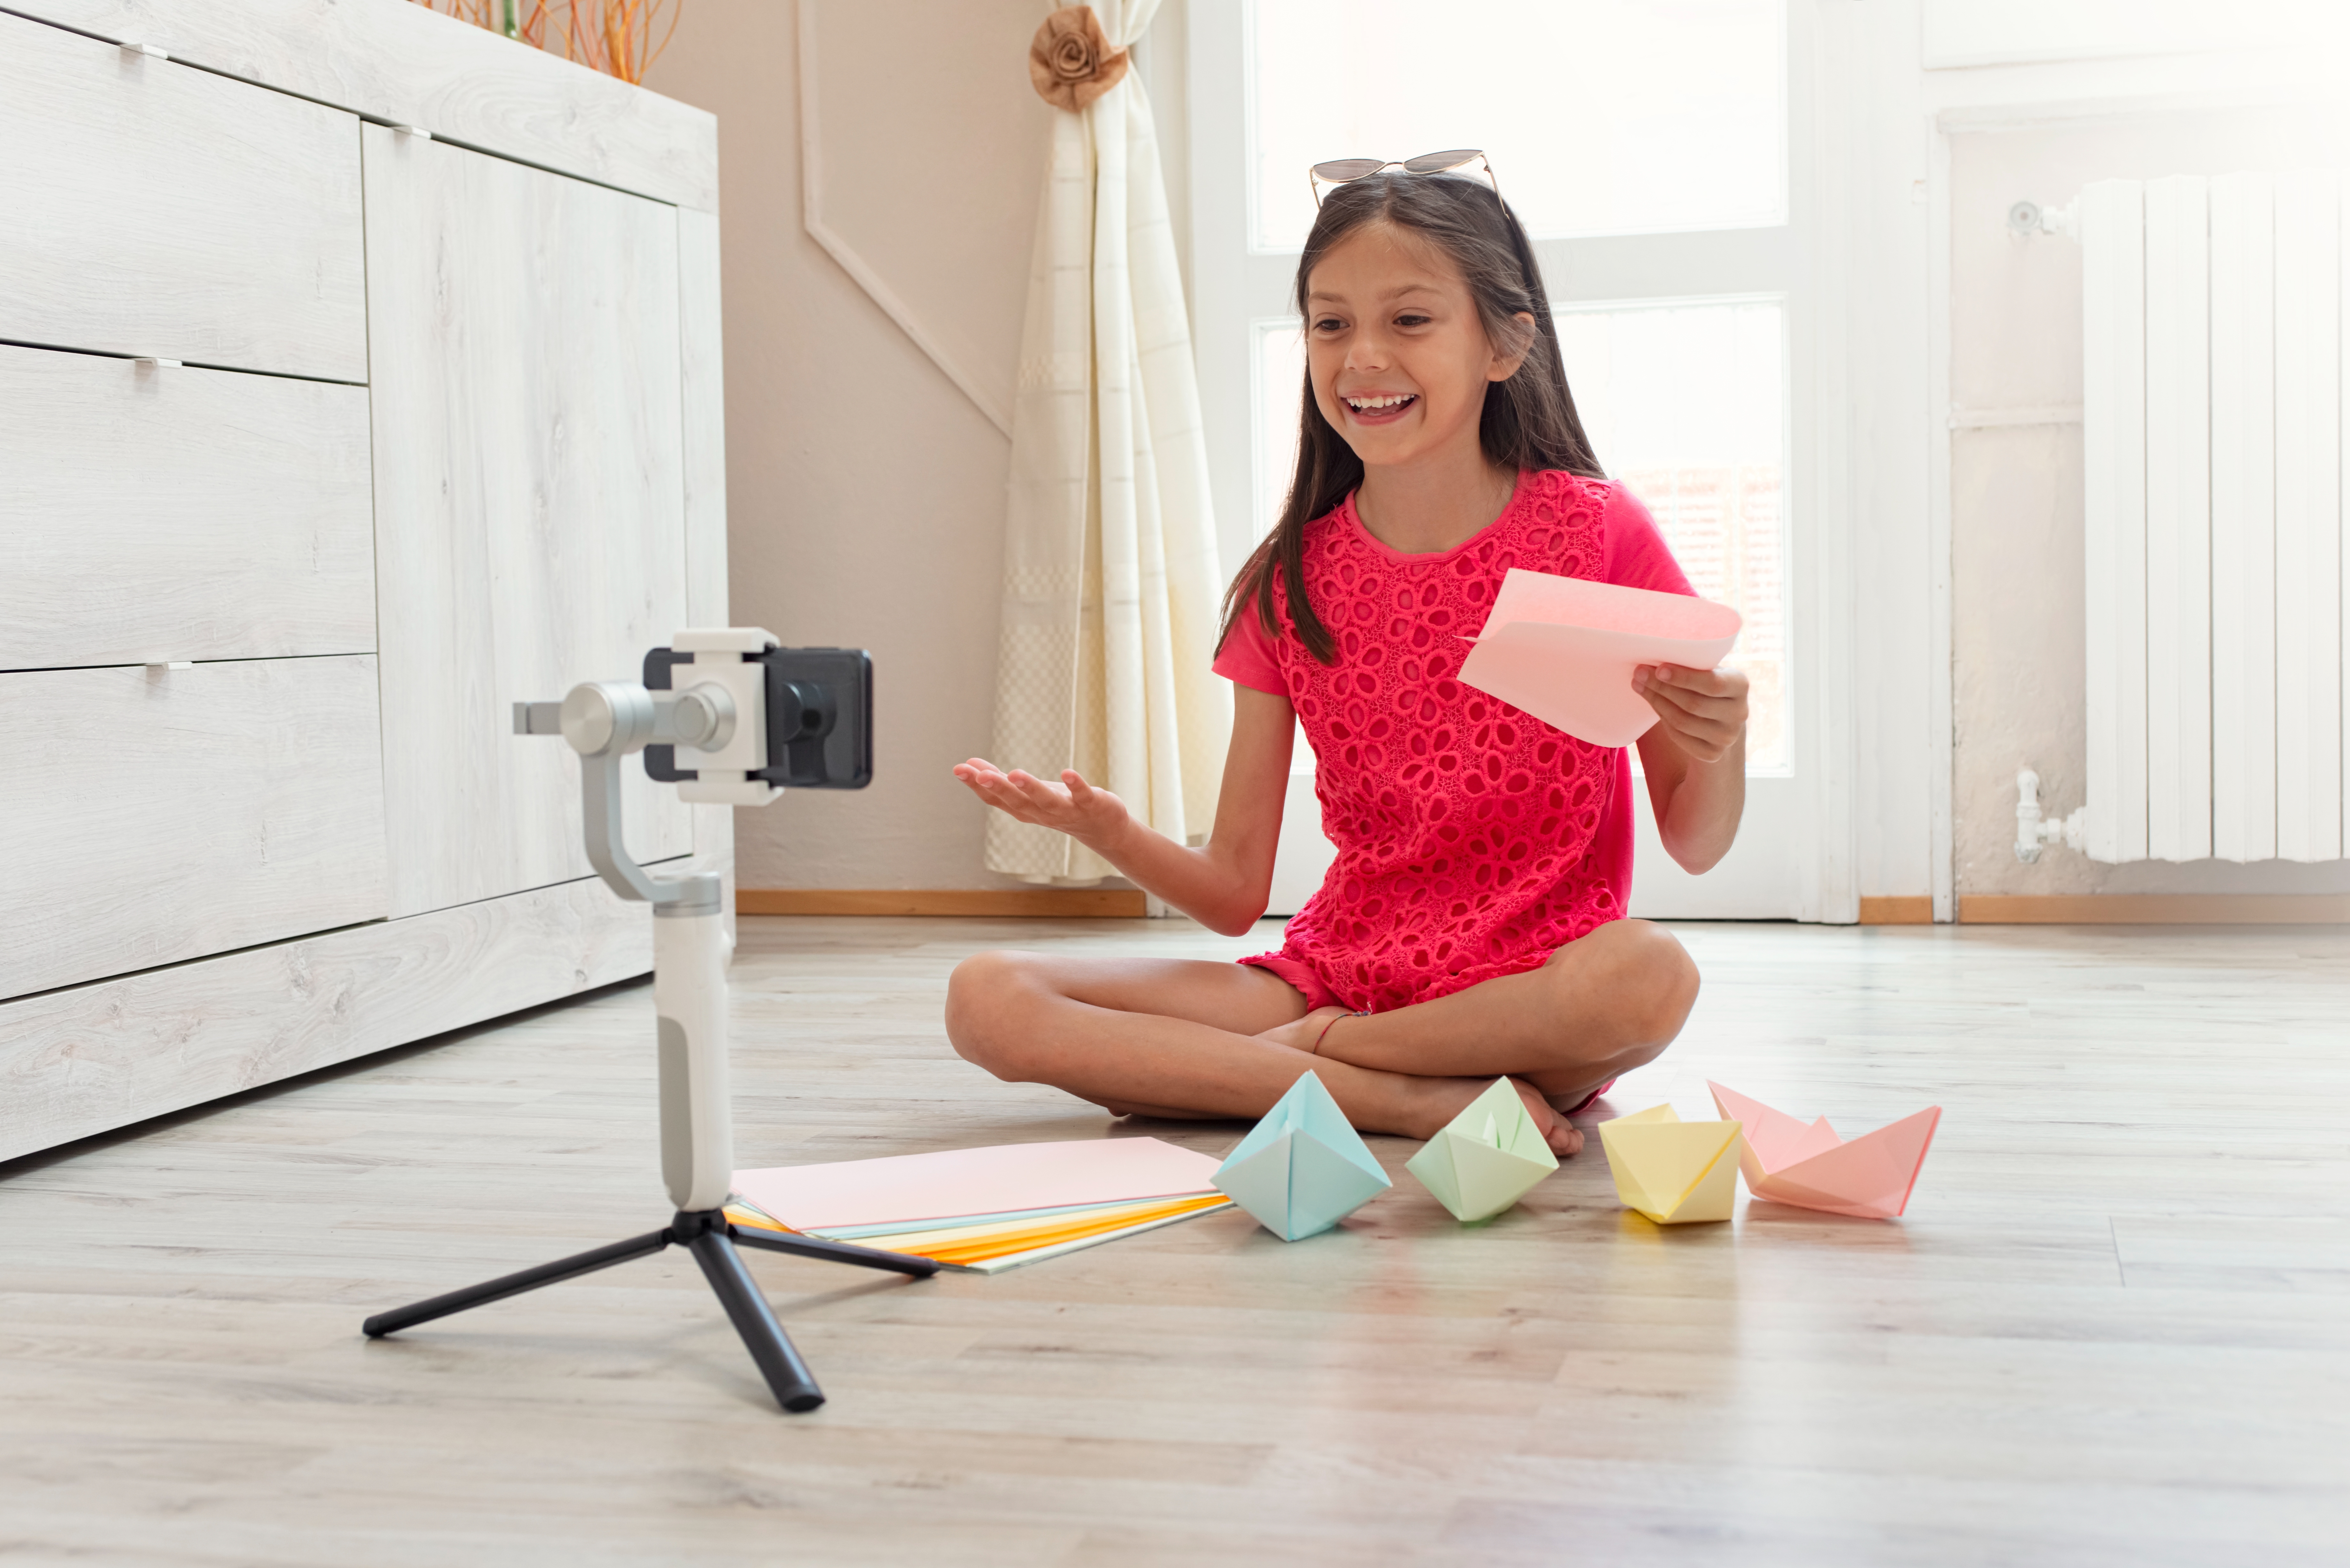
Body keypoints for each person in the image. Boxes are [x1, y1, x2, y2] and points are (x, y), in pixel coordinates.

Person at [946, 159, 1747, 1157]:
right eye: (1330, 324)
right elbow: (1234, 891)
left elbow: (1697, 841)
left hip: (1525, 997)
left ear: (1504, 344)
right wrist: (1113, 830)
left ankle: (1326, 1063)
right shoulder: (1289, 580)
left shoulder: (1596, 533)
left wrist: (1719, 742)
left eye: (1409, 320)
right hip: (1340, 967)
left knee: (1648, 975)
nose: (1361, 355)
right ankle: (1402, 1099)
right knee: (987, 997)